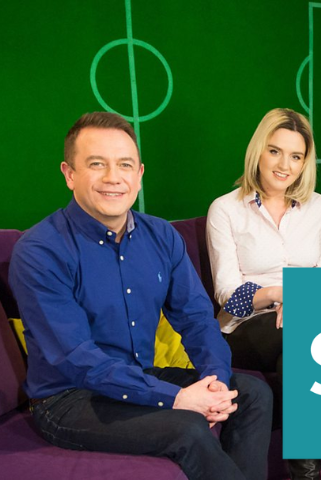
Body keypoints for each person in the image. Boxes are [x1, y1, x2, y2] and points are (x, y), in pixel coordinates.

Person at [9, 112, 273, 480]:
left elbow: (197, 319)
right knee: (187, 427)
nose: (113, 177)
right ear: (69, 174)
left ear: (139, 174)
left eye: (125, 165)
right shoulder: (40, 251)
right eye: (96, 164)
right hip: (68, 398)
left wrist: (215, 381)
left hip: (138, 376)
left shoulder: (161, 236)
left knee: (252, 395)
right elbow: (77, 358)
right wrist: (177, 398)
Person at [206, 108, 321, 480]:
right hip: (247, 326)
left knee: (300, 353)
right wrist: (280, 293)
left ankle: (307, 475)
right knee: (309, 339)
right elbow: (227, 294)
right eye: (275, 151)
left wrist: (302, 301)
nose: (284, 165)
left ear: (305, 163)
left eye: (296, 156)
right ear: (258, 151)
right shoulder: (225, 210)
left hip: (308, 322)